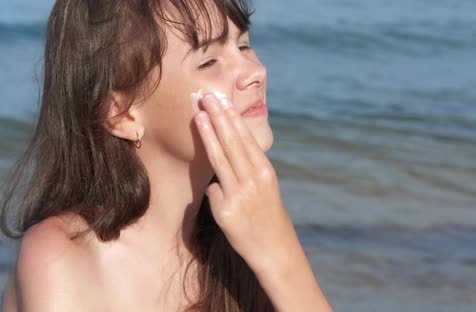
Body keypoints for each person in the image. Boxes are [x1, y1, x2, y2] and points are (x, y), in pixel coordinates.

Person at [0, 0, 333, 311]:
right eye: (209, 61)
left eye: (244, 45)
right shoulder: (63, 256)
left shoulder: (245, 237)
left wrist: (278, 250)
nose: (254, 73)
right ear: (121, 113)